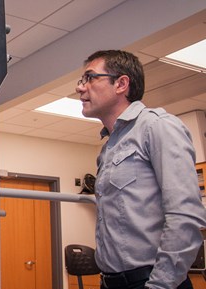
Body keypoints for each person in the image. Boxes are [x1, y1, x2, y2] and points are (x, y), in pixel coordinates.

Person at [75, 50, 206, 289]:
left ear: (121, 84)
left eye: (90, 77)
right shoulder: (108, 148)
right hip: (111, 281)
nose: (80, 88)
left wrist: (160, 285)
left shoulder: (157, 127)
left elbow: (185, 215)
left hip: (151, 282)